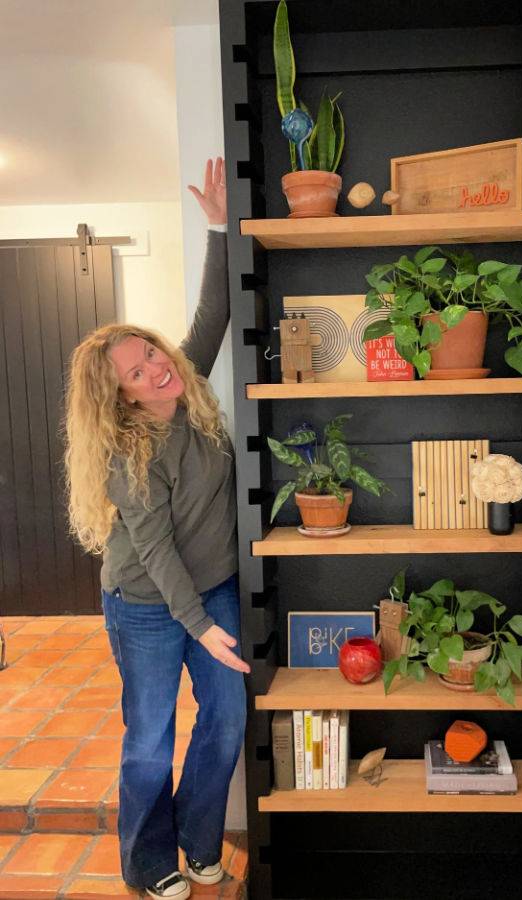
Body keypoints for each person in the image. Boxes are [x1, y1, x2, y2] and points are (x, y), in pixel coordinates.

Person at [64, 158, 250, 900]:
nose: (153, 370)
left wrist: (216, 224)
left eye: (148, 354)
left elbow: (213, 313)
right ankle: (147, 863)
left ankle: (201, 842)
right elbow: (154, 549)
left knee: (228, 717)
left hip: (212, 588)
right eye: (136, 373)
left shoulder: (192, 384)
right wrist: (201, 627)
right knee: (149, 741)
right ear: (120, 398)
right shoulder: (126, 451)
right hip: (146, 602)